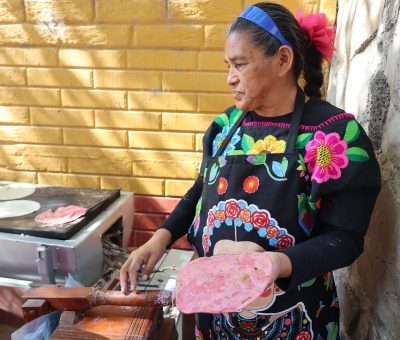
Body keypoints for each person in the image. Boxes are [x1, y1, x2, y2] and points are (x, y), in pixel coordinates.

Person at [119, 2, 381, 339]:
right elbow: (201, 189)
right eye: (228, 65)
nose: (230, 78)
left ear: (283, 60)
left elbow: (345, 239)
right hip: (216, 319)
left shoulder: (334, 137)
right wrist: (160, 238)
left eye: (240, 64)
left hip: (296, 319)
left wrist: (273, 265)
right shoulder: (226, 126)